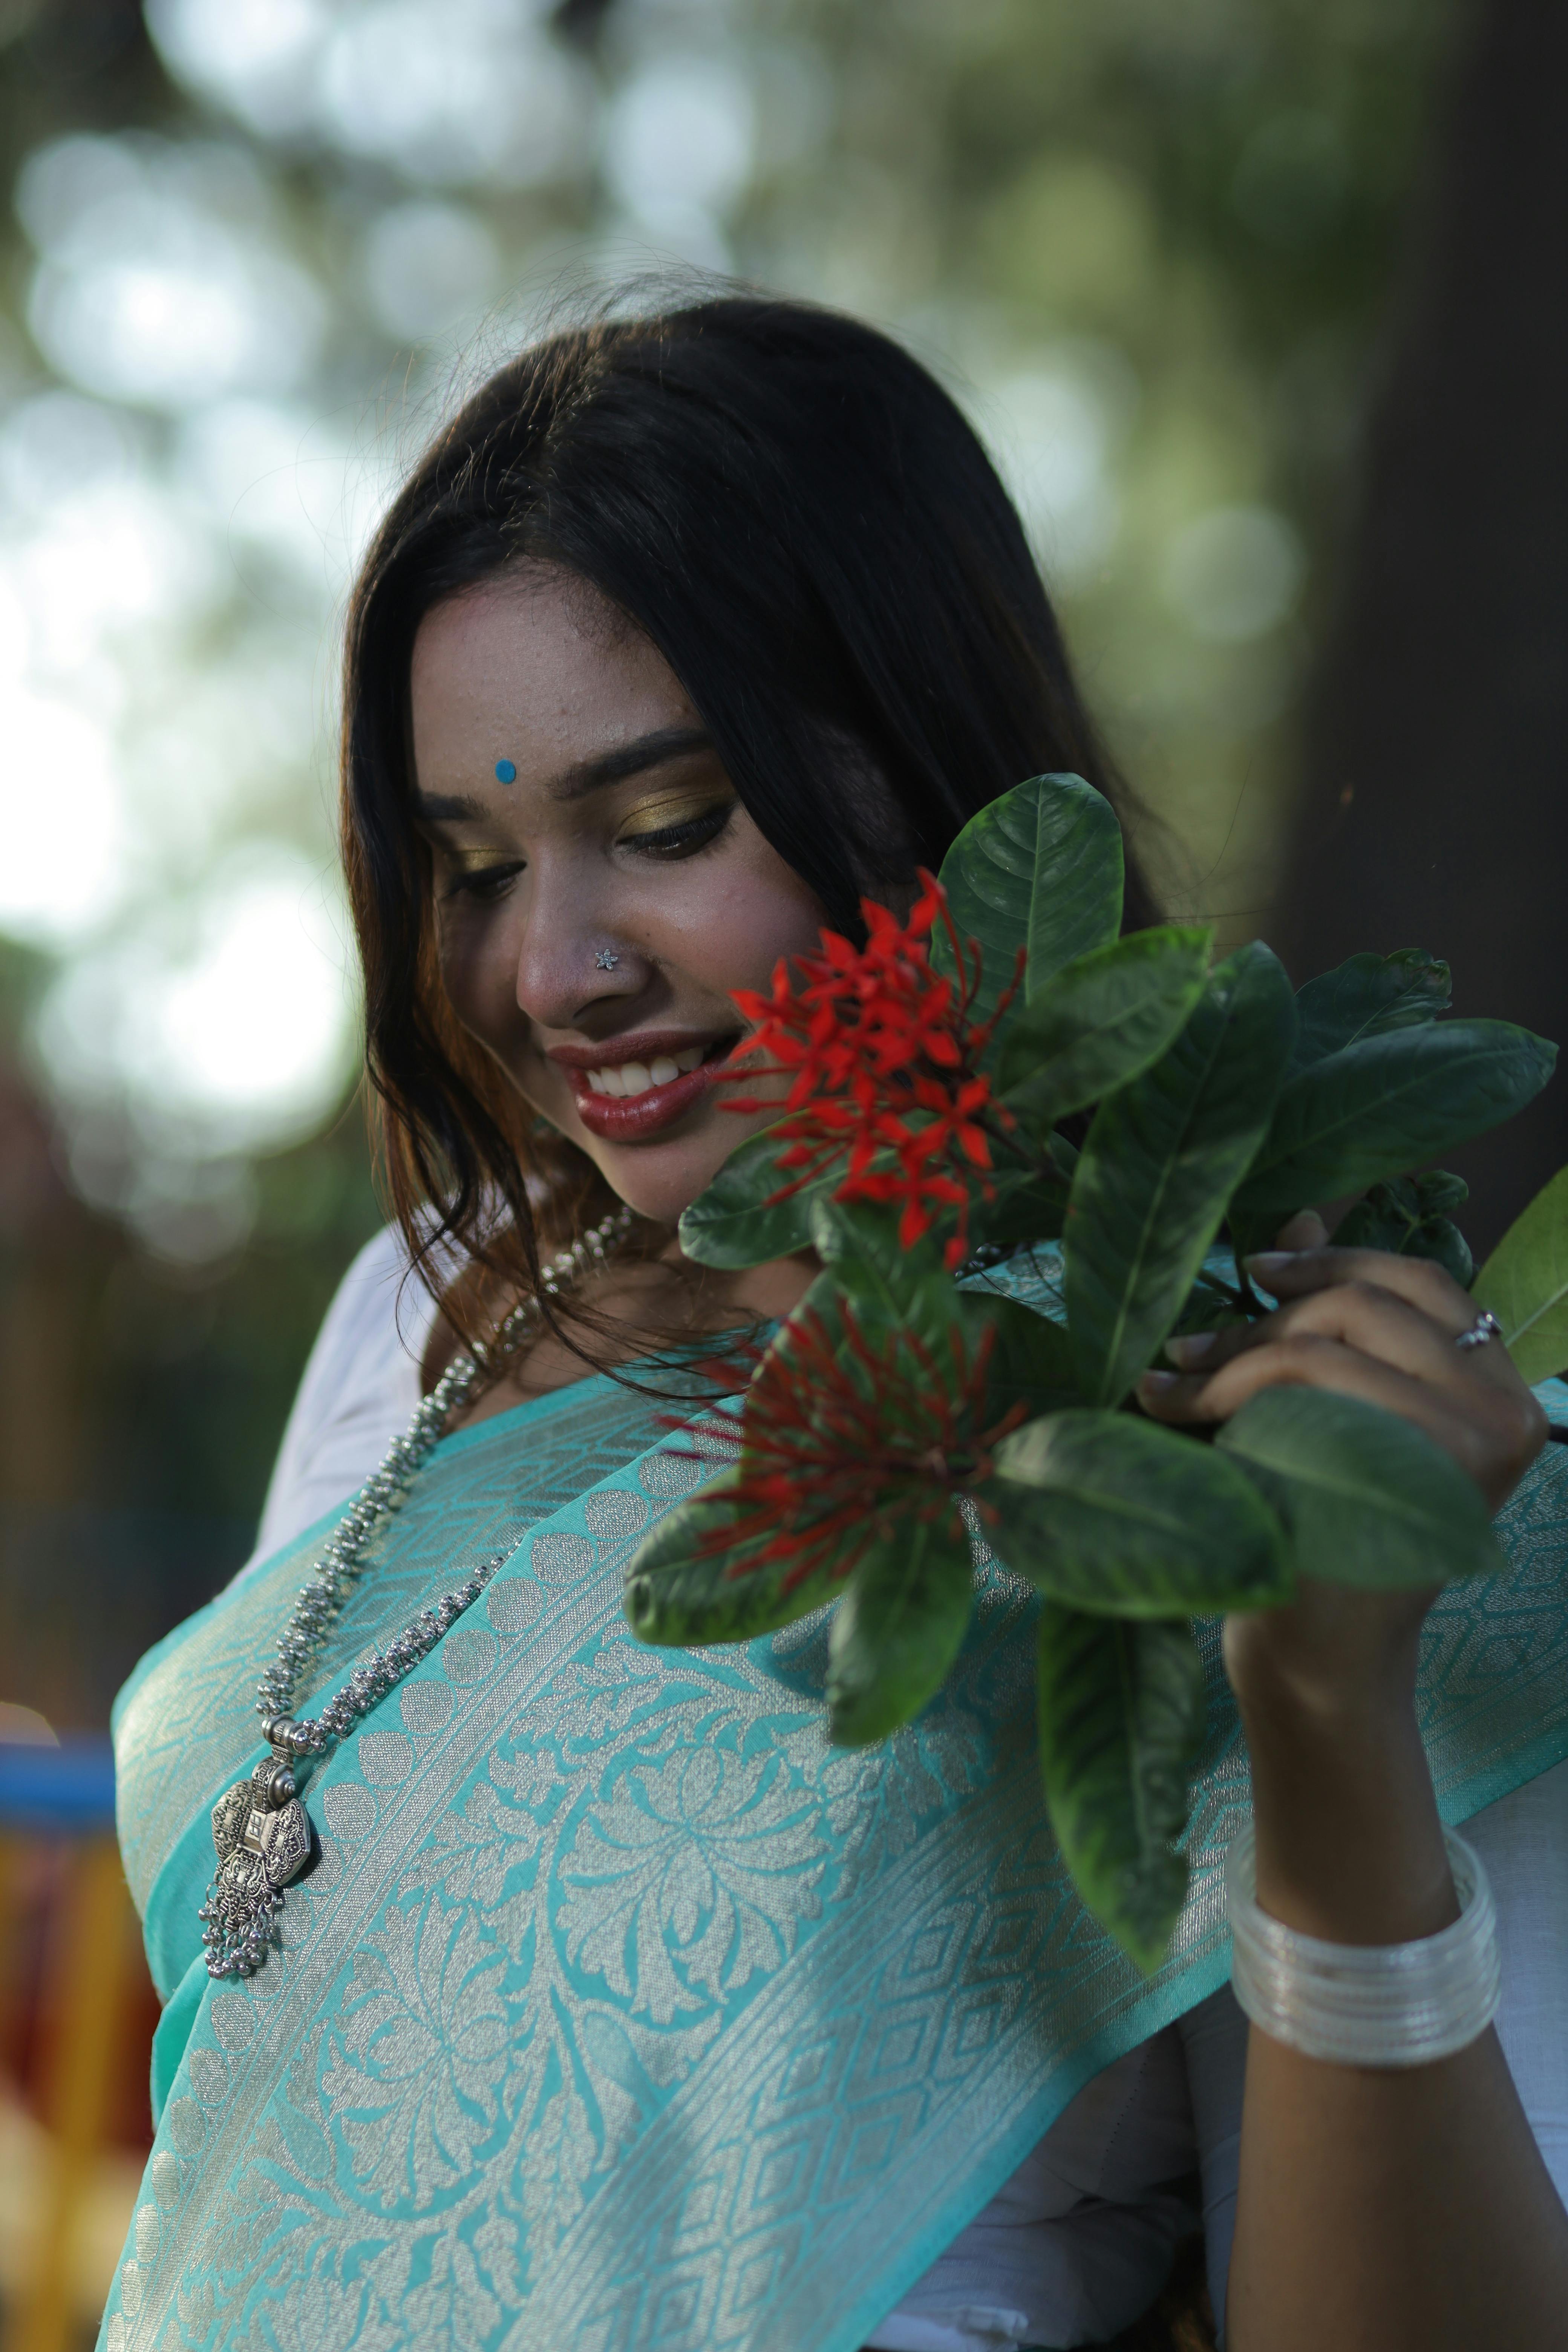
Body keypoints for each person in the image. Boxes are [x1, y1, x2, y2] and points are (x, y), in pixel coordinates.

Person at [103, 297, 1568, 2352]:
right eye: (470, 861)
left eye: (671, 823)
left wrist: (1331, 1725)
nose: (552, 972)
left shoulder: (1260, 1442)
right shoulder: (424, 1305)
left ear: (942, 769)